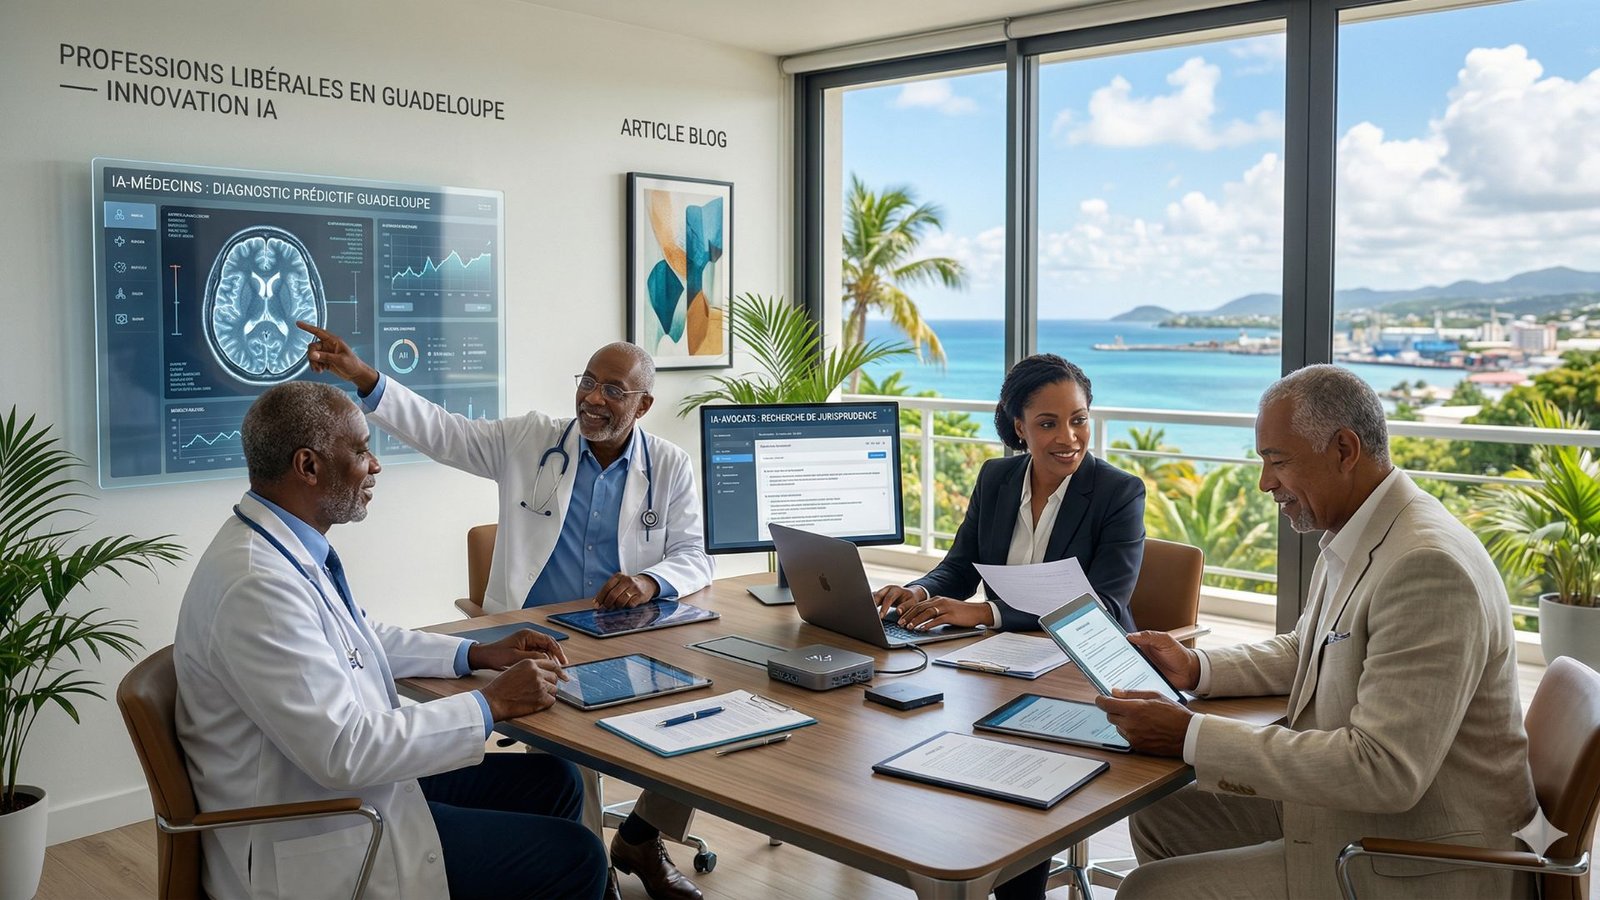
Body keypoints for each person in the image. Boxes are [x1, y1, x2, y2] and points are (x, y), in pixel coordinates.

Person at [299, 321, 711, 900]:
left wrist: (650, 580)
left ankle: (640, 836)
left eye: (613, 390)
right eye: (587, 382)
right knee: (577, 752)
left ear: (642, 405)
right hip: (536, 637)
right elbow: (443, 431)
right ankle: (592, 878)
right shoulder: (530, 440)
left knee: (703, 708)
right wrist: (364, 376)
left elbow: (694, 556)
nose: (593, 398)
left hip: (625, 636)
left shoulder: (669, 464)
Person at [1095, 364, 1536, 899]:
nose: (1265, 483)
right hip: (1363, 820)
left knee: (1151, 891)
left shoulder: (1426, 566)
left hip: (1417, 855)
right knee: (1162, 812)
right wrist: (1195, 667)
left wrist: (1189, 735)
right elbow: (1310, 648)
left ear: (1345, 450)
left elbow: (1384, 770)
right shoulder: (1362, 529)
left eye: (1277, 461)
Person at [174, 382, 608, 900]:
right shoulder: (258, 585)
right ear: (308, 466)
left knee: (556, 779)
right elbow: (344, 751)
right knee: (577, 856)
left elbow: (359, 635)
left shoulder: (280, 547)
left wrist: (475, 652)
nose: (375, 465)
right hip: (319, 824)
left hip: (347, 789)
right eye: (360, 450)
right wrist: (489, 704)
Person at [872, 353, 1146, 900]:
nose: (1068, 437)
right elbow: (960, 565)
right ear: (1019, 427)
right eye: (1048, 423)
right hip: (997, 666)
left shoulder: (1118, 491)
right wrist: (920, 591)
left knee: (1019, 787)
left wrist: (986, 613)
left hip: (1080, 669)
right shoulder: (997, 477)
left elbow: (1105, 604)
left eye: (1079, 419)